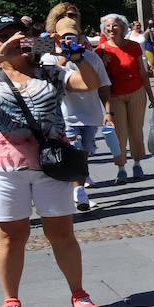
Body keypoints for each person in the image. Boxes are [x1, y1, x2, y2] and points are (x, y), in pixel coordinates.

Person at [0, 15, 104, 307]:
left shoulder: (49, 71)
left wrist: (78, 56)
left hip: (51, 163)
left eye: (20, 34)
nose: (15, 39)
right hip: (4, 166)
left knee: (61, 232)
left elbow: (89, 84)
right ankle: (11, 301)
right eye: (4, 35)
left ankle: (79, 294)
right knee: (11, 237)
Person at [48, 18, 113, 209]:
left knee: (83, 154)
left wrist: (109, 112)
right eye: (65, 37)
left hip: (90, 115)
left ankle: (76, 188)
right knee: (74, 151)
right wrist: (65, 56)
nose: (69, 40)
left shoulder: (91, 57)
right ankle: (79, 192)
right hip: (65, 116)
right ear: (58, 38)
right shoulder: (51, 58)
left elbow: (103, 86)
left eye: (73, 36)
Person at [96, 15, 154, 185]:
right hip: (114, 95)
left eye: (114, 26)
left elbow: (143, 73)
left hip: (136, 92)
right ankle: (121, 168)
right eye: (107, 26)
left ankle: (137, 163)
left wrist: (151, 96)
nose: (111, 29)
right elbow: (98, 78)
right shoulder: (101, 51)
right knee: (119, 133)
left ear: (122, 28)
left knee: (136, 130)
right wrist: (104, 63)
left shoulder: (134, 46)